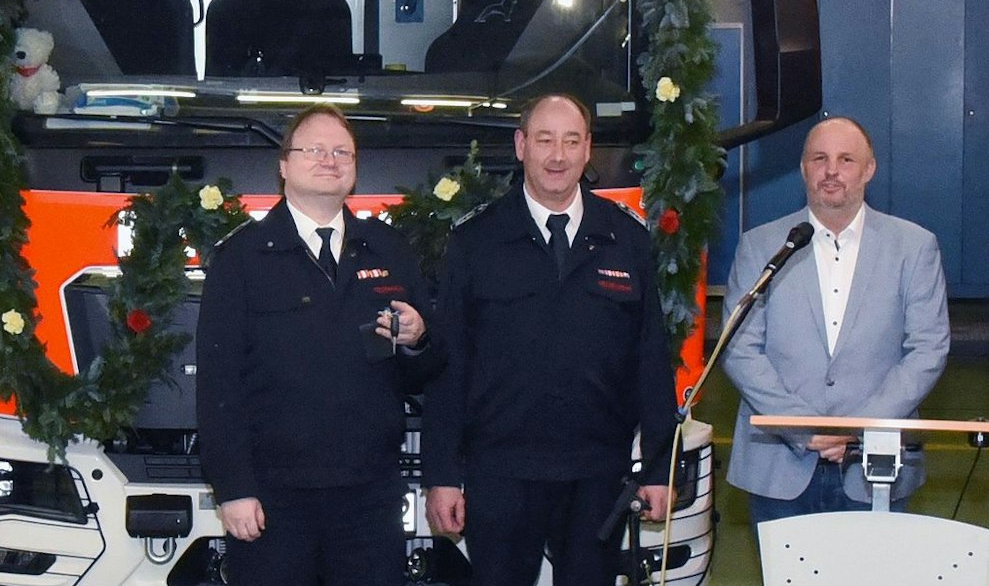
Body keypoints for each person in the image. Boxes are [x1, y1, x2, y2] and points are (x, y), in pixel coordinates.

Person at [422, 93, 675, 586]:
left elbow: (650, 360)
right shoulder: (476, 241)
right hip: (501, 472)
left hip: (597, 473)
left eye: (571, 141)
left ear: (588, 149)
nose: (558, 156)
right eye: (544, 140)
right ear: (521, 146)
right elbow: (449, 367)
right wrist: (442, 476)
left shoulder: (626, 238)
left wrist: (657, 470)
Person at [196, 104, 437, 585]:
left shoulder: (389, 249)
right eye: (315, 150)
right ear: (284, 166)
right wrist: (233, 487)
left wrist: (418, 341)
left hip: (370, 495)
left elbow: (423, 374)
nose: (330, 160)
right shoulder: (241, 258)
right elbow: (219, 385)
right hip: (273, 498)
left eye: (342, 152)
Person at [723, 116, 951, 520]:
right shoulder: (761, 246)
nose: (831, 170)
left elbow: (928, 349)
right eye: (819, 159)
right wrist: (802, 426)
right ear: (803, 169)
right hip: (778, 467)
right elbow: (738, 348)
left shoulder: (914, 247)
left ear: (869, 169)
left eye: (846, 159)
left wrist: (857, 426)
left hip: (876, 466)